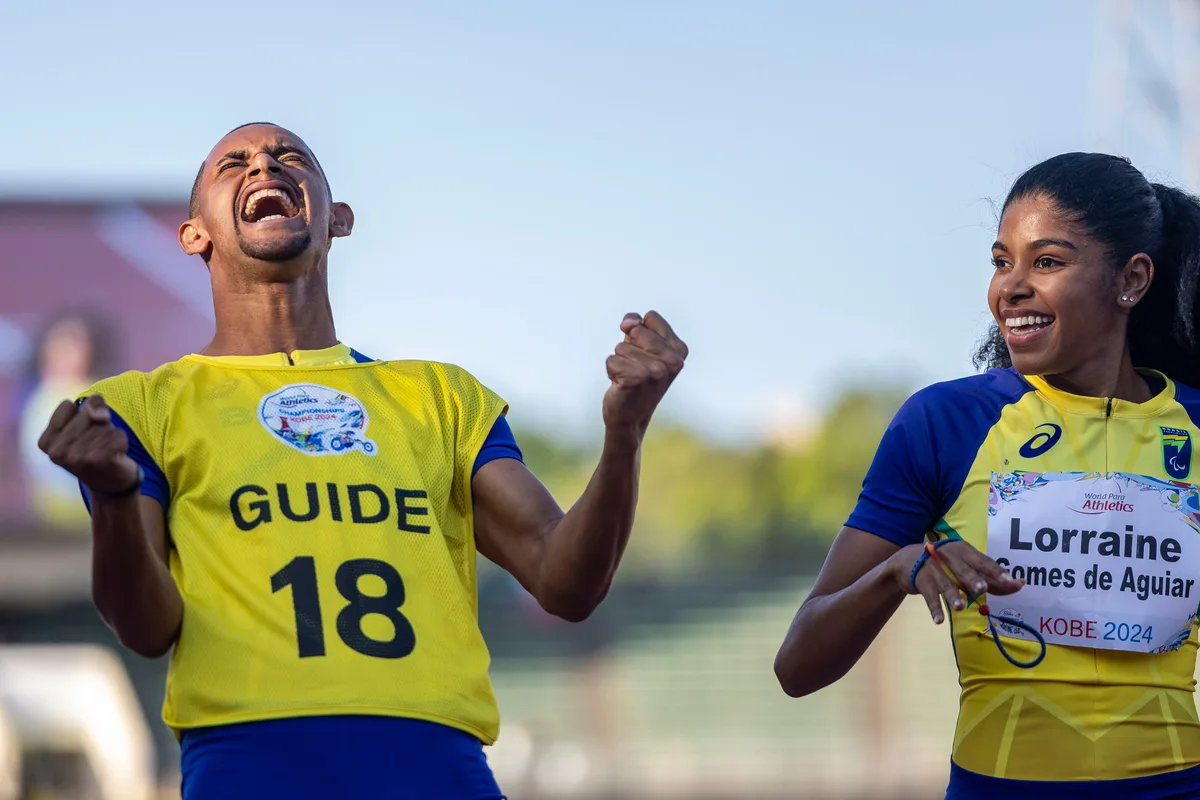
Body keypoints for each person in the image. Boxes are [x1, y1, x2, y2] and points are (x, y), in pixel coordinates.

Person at [36, 122, 688, 799]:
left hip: (439, 766)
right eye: (235, 162)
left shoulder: (441, 397)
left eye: (291, 158)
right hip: (248, 764)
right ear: (193, 233)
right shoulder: (137, 407)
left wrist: (625, 432)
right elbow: (146, 629)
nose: (264, 164)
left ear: (337, 218)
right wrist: (114, 500)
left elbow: (565, 581)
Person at [774, 153, 1200, 799]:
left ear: (1132, 280)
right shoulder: (946, 421)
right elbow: (799, 666)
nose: (1012, 286)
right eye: (1003, 261)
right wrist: (898, 572)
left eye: (1047, 261)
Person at [15, 310, 116, 529]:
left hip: (89, 515)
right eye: (59, 343)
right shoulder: (36, 396)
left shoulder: (95, 398)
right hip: (46, 513)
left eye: (74, 345)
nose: (64, 352)